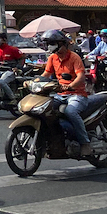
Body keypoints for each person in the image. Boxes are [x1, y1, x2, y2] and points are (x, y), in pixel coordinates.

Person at [41, 29, 92, 157]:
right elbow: (46, 74)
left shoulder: (74, 57)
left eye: (52, 43)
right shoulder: (53, 58)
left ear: (62, 43)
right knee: (44, 109)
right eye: (48, 43)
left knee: (71, 112)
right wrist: (35, 82)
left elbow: (81, 76)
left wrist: (69, 86)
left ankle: (85, 143)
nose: (50, 46)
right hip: (59, 94)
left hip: (77, 94)